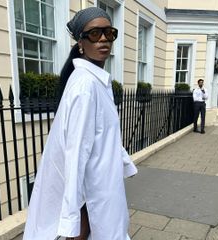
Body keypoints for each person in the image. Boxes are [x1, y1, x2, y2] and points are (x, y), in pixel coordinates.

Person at [23, 7, 137, 240]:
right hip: (93, 192)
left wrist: (125, 162)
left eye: (109, 32)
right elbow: (75, 155)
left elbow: (103, 134)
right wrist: (71, 220)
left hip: (102, 185)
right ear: (81, 42)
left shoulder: (97, 81)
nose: (104, 38)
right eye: (95, 33)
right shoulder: (86, 86)